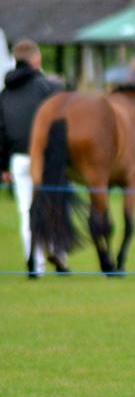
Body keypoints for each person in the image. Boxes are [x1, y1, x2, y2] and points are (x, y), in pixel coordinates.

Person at [0, 39, 60, 275]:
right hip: (45, 158)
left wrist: (3, 165)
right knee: (52, 205)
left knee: (26, 210)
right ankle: (57, 251)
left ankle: (34, 263)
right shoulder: (48, 88)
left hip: (18, 160)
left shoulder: (4, 94)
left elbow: (1, 131)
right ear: (36, 60)